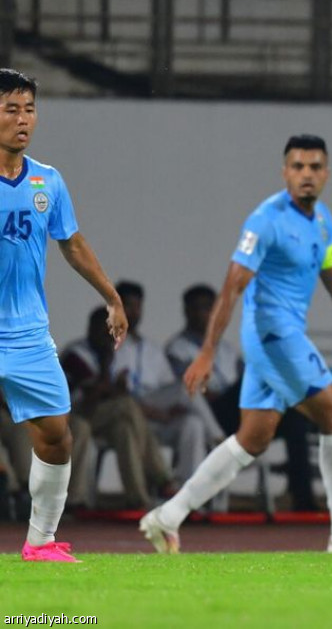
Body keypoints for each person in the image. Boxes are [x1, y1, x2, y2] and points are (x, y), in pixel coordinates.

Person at [140, 133, 332, 554]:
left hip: (278, 339)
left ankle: (167, 517)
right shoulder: (266, 220)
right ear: (284, 173)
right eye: (297, 167)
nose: (306, 175)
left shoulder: (321, 221)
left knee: (253, 438)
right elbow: (231, 287)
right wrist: (207, 351)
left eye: (315, 167)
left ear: (326, 174)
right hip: (274, 336)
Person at [0, 68, 128, 562]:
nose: (23, 119)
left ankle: (40, 542)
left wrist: (112, 298)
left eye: (29, 109)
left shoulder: (46, 181)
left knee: (56, 435)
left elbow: (72, 243)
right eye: (12, 109)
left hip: (28, 333)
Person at [166, 283, 319, 511]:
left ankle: (303, 499)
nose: (203, 314)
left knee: (295, 421)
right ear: (186, 311)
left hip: (241, 411)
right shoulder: (178, 348)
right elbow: (190, 391)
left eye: (209, 308)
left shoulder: (225, 349)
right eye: (197, 308)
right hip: (214, 414)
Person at [60, 307, 176, 509]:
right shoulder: (77, 354)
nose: (108, 336)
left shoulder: (110, 354)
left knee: (126, 429)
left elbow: (110, 391)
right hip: (75, 414)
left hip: (101, 418)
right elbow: (92, 397)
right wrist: (110, 380)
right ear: (91, 329)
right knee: (128, 405)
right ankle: (160, 476)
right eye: (104, 330)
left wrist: (116, 387)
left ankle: (138, 498)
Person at [114, 280, 222, 485]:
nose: (133, 311)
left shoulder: (152, 350)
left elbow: (168, 388)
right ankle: (218, 440)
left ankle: (185, 492)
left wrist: (173, 408)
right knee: (185, 385)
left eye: (137, 306)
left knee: (193, 423)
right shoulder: (107, 346)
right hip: (129, 417)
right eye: (127, 305)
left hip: (158, 416)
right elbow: (114, 392)